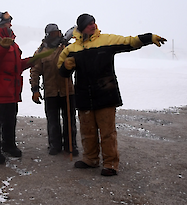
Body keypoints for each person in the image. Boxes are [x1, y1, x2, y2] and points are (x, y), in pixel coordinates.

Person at [57, 13, 167, 176]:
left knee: (107, 132)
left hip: (105, 94)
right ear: (81, 28)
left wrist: (148, 38)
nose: (93, 25)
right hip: (84, 96)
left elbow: (129, 42)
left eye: (94, 23)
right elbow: (62, 72)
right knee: (87, 131)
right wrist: (66, 66)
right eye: (89, 24)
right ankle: (90, 159)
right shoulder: (71, 49)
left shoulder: (107, 40)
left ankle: (110, 163)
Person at [0, 11, 34, 164]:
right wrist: (2, 46)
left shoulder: (11, 41)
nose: (9, 25)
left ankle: (9, 144)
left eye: (10, 23)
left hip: (11, 88)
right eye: (6, 23)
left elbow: (15, 66)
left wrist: (31, 61)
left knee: (10, 118)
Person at [30, 23, 78, 156]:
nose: (56, 36)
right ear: (47, 36)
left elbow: (78, 62)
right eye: (53, 34)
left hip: (67, 90)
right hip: (50, 92)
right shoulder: (41, 52)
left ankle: (71, 145)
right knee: (53, 120)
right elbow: (35, 71)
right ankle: (54, 145)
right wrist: (35, 89)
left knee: (69, 119)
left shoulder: (66, 47)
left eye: (58, 33)